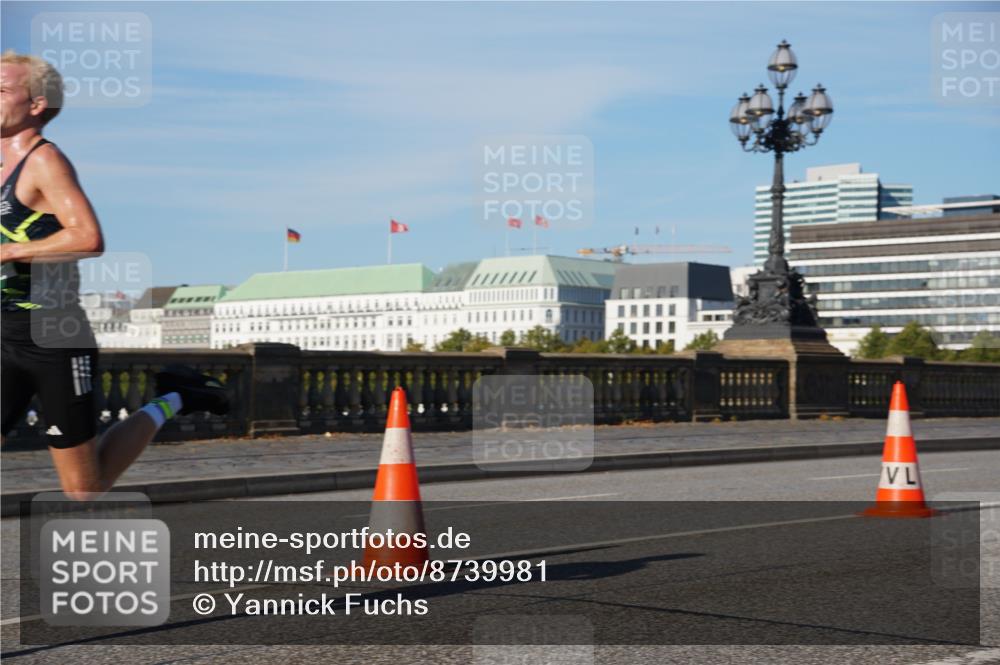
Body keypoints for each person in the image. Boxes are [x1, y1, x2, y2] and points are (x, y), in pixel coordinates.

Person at [1, 51, 228, 500]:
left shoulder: (45, 162)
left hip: (52, 334)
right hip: (3, 329)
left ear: (36, 104)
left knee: (85, 489)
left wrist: (11, 250)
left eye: (1, 90)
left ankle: (177, 397)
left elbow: (87, 238)